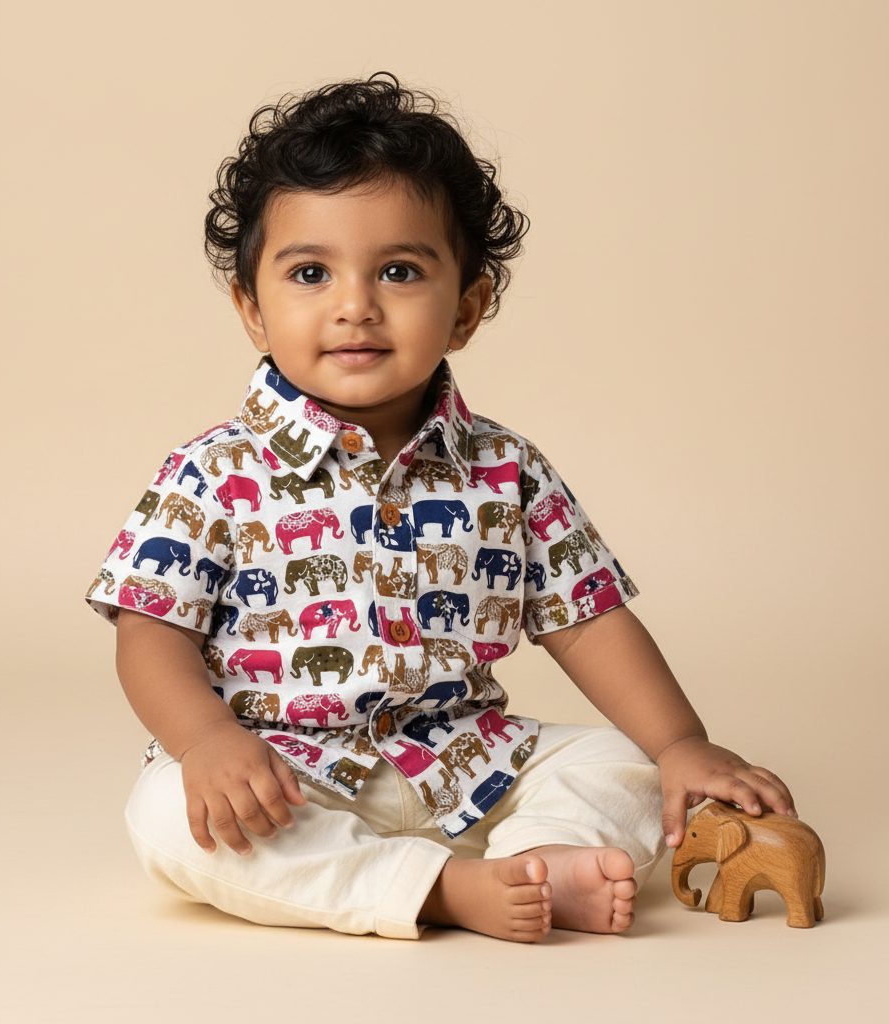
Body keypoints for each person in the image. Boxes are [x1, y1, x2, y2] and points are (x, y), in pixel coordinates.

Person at [87, 73, 795, 943]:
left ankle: (541, 860)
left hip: (468, 758)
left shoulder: (507, 468)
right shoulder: (213, 472)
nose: (355, 305)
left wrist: (681, 743)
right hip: (287, 774)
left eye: (398, 271)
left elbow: (587, 622)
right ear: (252, 311)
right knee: (167, 815)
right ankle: (436, 890)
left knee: (625, 766)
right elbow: (150, 630)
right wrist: (205, 742)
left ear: (466, 308)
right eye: (310, 273)